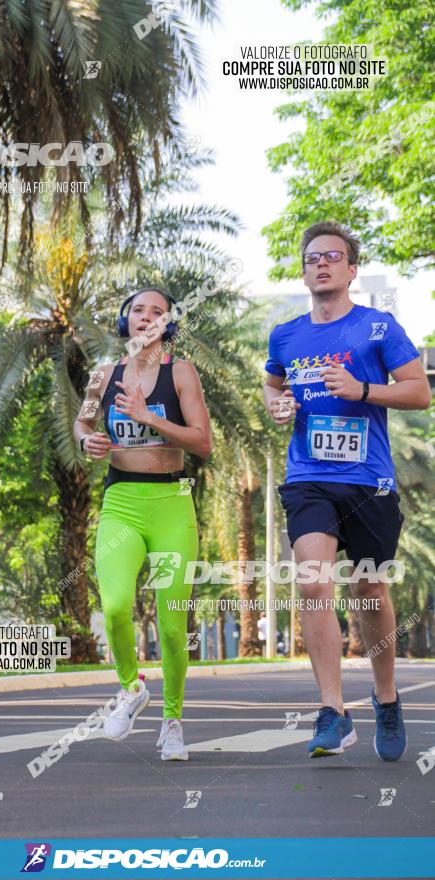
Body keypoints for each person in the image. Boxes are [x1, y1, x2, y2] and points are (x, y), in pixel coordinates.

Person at [264, 221, 431, 760]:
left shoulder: (378, 328)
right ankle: (332, 711)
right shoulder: (286, 335)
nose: (321, 263)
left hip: (369, 480)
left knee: (371, 591)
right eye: (312, 256)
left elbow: (419, 392)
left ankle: (385, 697)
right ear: (305, 269)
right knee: (313, 583)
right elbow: (273, 382)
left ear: (351, 270)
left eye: (333, 256)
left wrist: (362, 389)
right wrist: (277, 404)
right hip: (309, 476)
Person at [73, 287, 212, 760]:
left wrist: (149, 416)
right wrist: (88, 440)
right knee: (114, 607)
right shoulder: (103, 375)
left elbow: (203, 442)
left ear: (168, 324)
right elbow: (84, 421)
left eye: (157, 312)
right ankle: (132, 689)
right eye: (138, 310)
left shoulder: (182, 373)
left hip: (173, 502)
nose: (146, 317)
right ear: (125, 320)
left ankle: (173, 722)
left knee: (173, 626)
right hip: (121, 502)